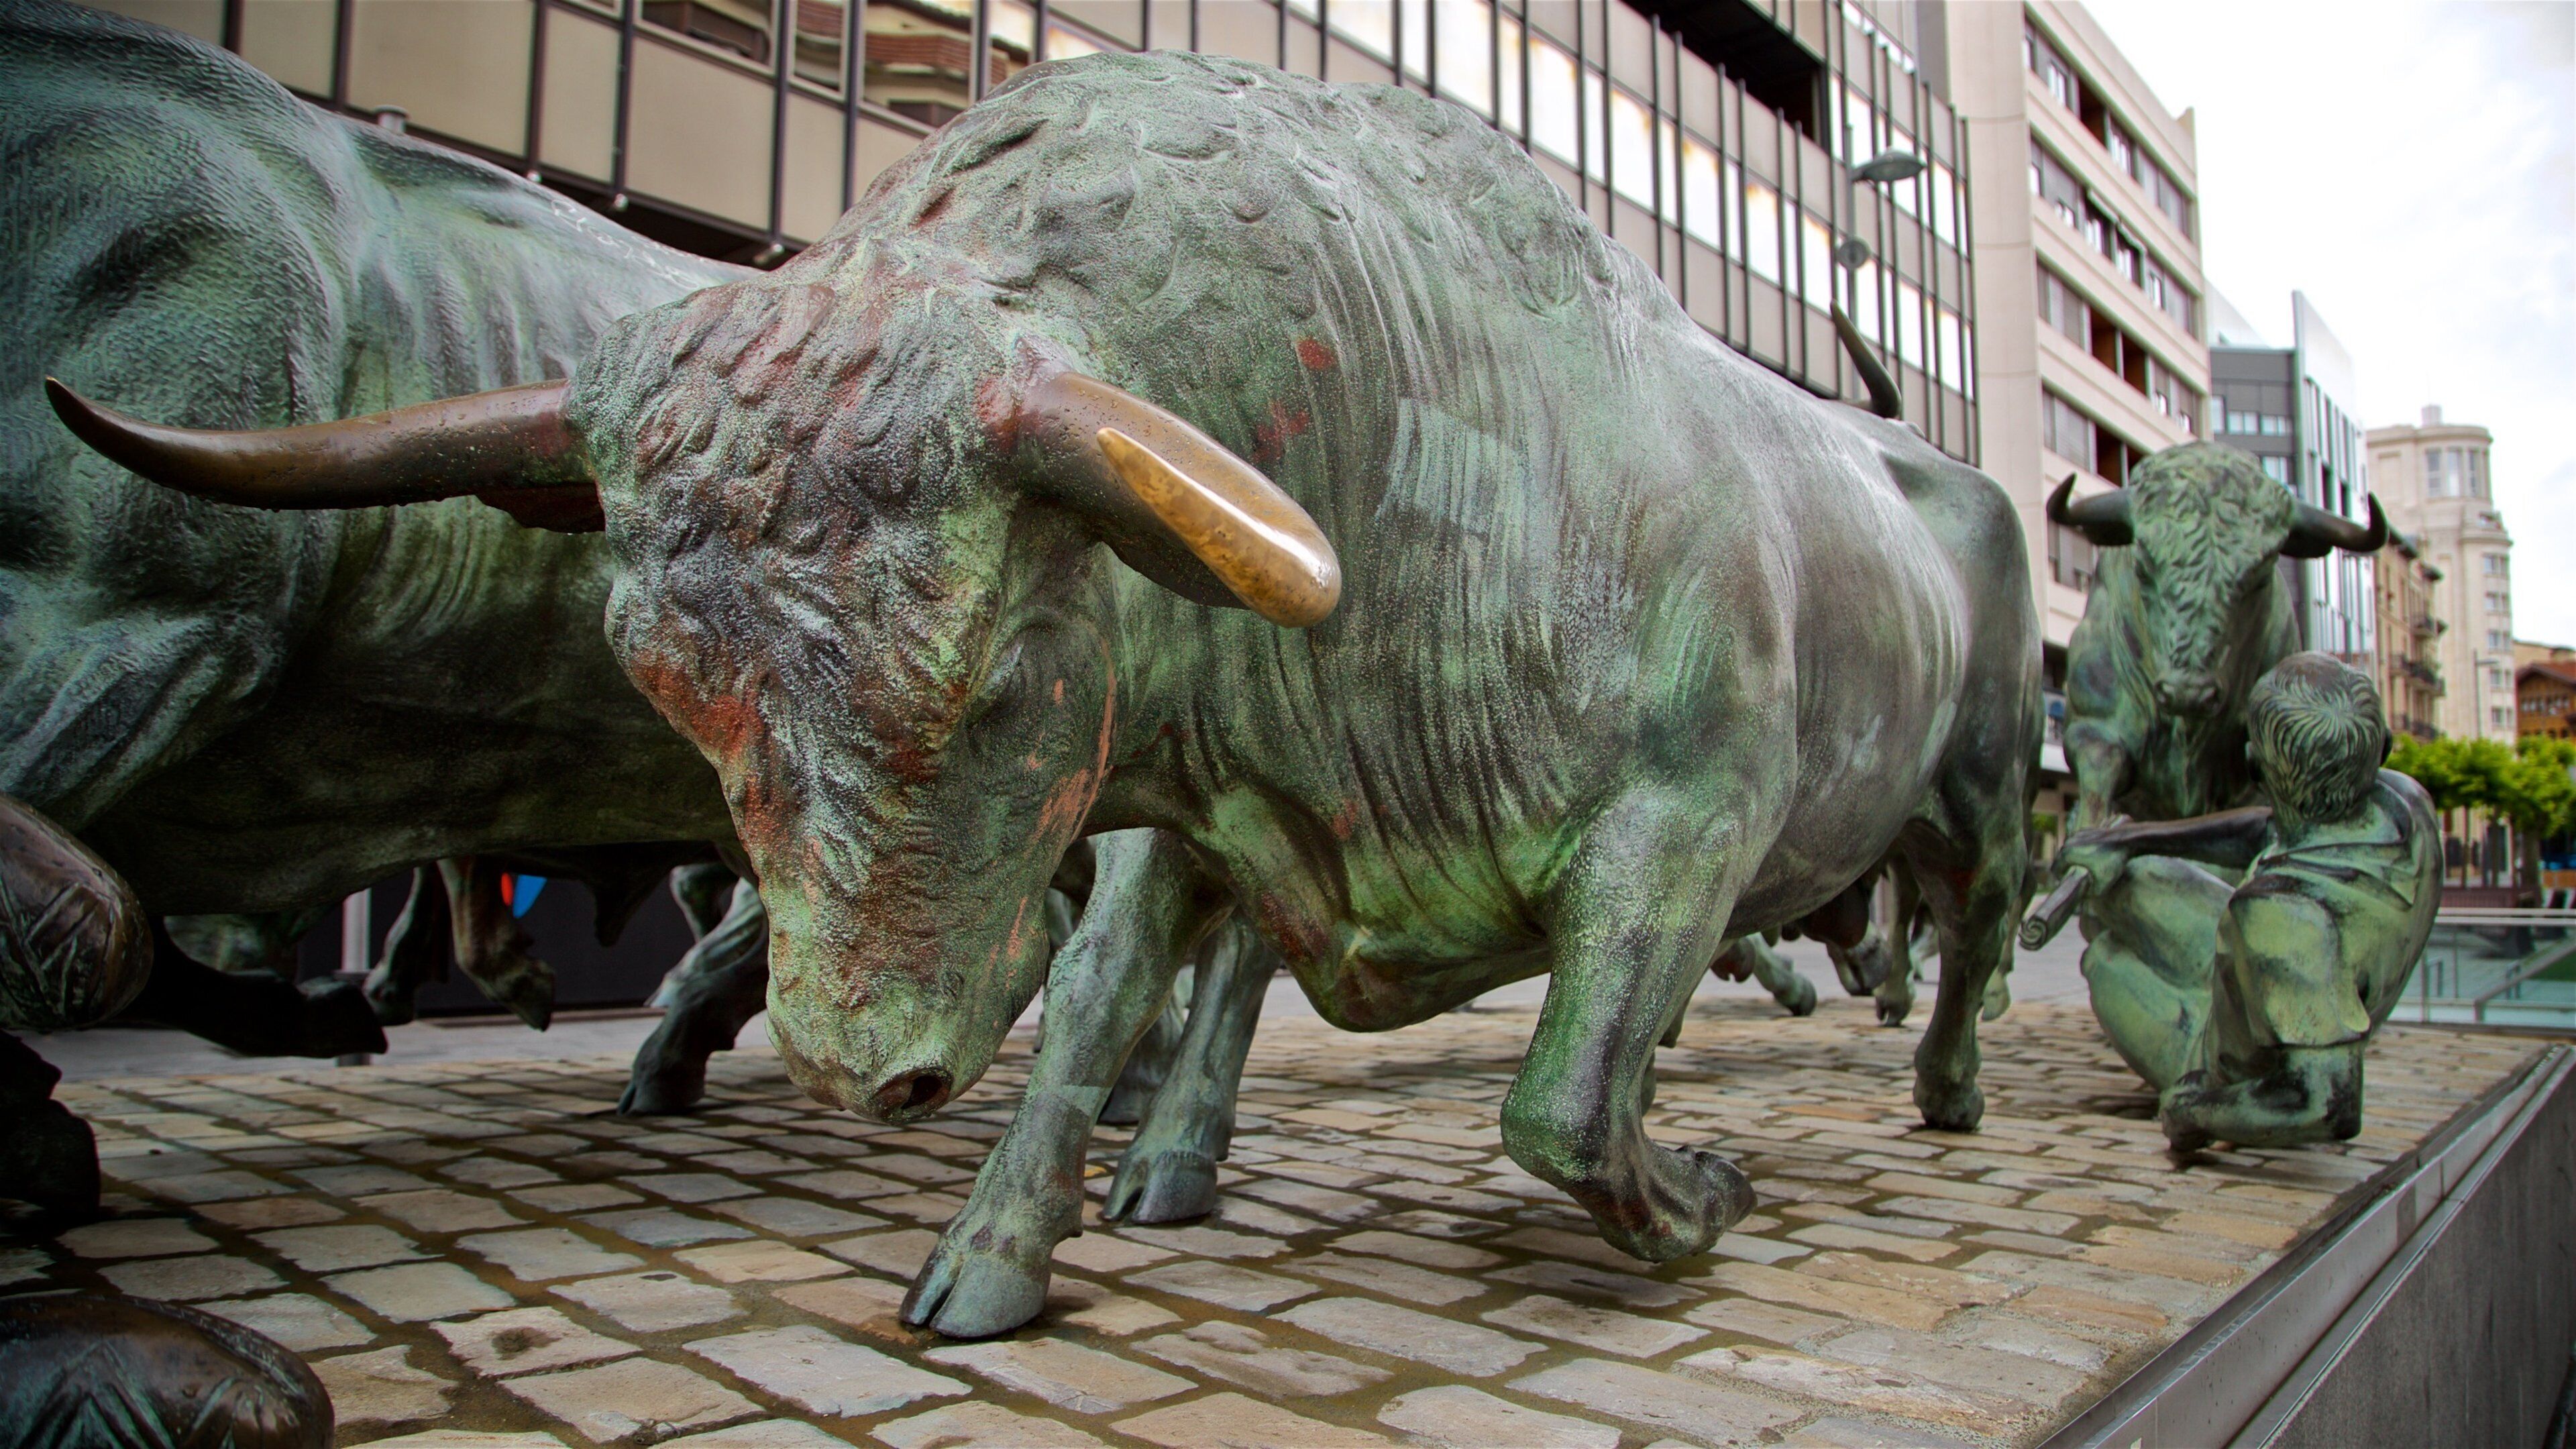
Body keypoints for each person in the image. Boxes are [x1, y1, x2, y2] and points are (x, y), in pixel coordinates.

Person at [2057, 653, 2439, 1149]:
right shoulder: (2405, 804)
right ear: (2382, 748)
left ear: (2255, 765)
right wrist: (2130, 840)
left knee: (2106, 961)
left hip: (2227, 1055)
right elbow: (2270, 828)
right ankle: (2125, 869)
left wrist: (2194, 1112)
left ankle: (2184, 1041)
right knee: (2132, 877)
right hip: (2274, 969)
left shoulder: (2285, 918)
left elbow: (2327, 1103)